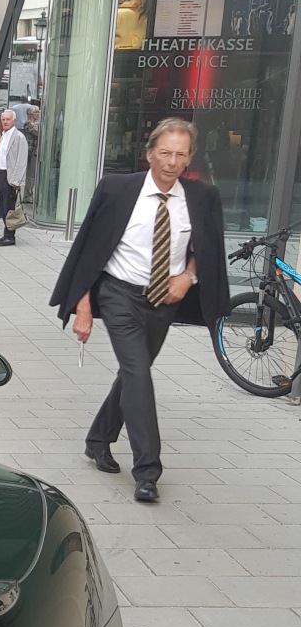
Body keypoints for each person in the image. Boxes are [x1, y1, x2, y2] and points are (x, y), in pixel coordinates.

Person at [50, 117, 230, 504]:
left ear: (189, 160)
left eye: (180, 155)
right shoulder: (117, 190)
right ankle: (147, 471)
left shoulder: (201, 198)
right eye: (164, 152)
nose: (171, 161)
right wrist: (83, 308)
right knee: (137, 372)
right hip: (119, 293)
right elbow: (87, 252)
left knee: (135, 374)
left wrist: (189, 277)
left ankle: (98, 439)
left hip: (165, 300)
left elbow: (208, 249)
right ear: (149, 154)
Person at [0, 109, 29, 246]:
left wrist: (16, 180)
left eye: (8, 119)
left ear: (14, 121)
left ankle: (10, 236)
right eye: (3, 119)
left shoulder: (19, 137)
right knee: (2, 205)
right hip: (0, 173)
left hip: (10, 176)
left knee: (9, 207)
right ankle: (6, 233)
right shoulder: (3, 135)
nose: (5, 122)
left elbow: (21, 160)